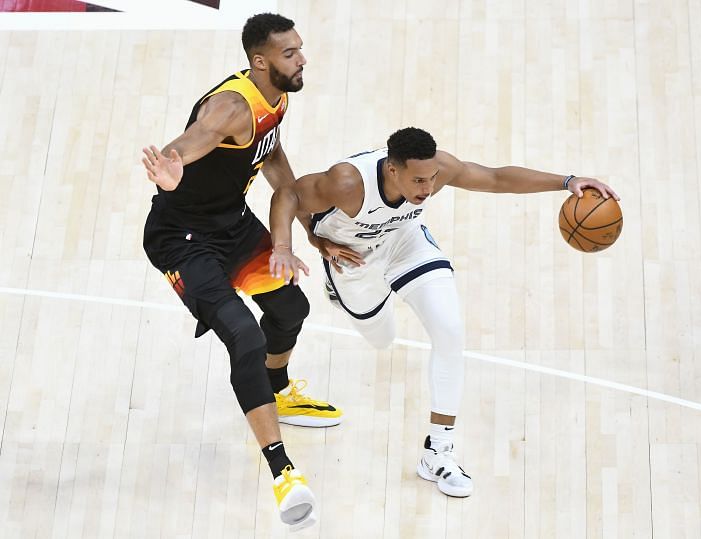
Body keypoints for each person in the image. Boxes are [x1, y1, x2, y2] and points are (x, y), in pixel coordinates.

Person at [268, 127, 619, 498]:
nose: (427, 188)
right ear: (392, 170)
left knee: (450, 331)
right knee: (382, 338)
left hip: (405, 242)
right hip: (353, 257)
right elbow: (288, 194)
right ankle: (340, 294)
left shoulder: (437, 170)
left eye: (432, 178)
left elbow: (497, 178)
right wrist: (293, 243)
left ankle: (438, 452)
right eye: (418, 180)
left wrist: (567, 182)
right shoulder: (347, 182)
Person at [140, 13, 342, 531]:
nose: (302, 59)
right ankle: (283, 472)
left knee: (291, 306)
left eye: (300, 49)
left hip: (232, 225)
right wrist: (171, 164)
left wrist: (302, 227)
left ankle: (277, 388)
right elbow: (195, 138)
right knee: (244, 338)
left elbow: (274, 163)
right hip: (184, 243)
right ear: (260, 60)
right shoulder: (231, 106)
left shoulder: (277, 97)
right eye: (290, 53)